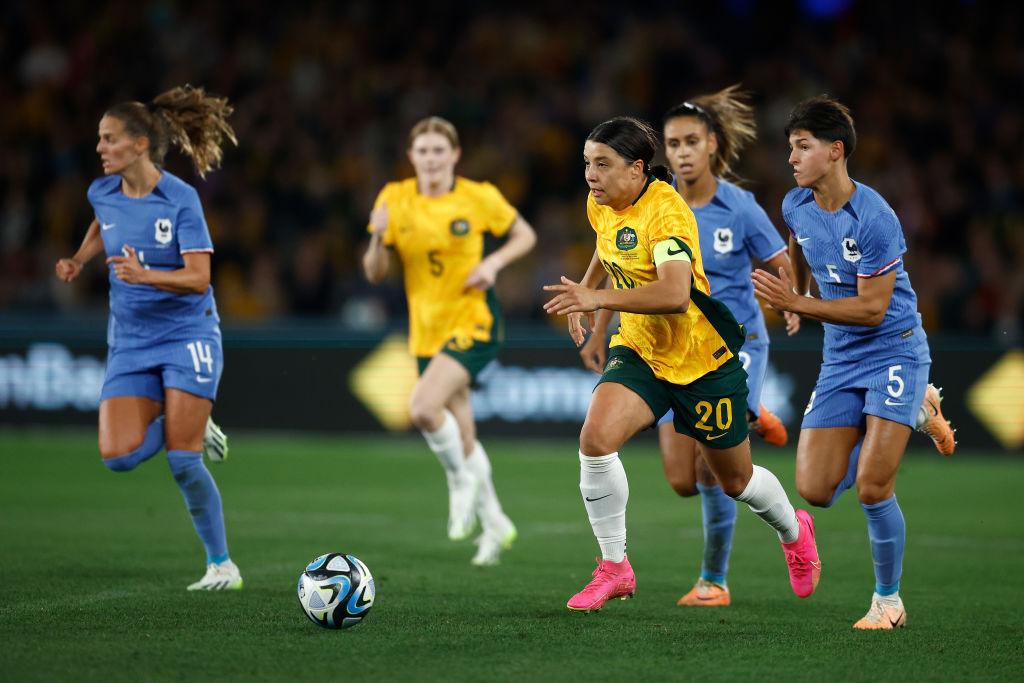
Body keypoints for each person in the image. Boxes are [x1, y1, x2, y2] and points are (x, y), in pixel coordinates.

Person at [543, 116, 820, 613]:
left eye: (602, 165)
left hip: (701, 361)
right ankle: (615, 567)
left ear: (637, 168)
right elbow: (609, 250)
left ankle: (793, 529)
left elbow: (674, 294)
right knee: (595, 439)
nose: (591, 175)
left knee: (735, 481)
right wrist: (593, 307)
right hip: (641, 351)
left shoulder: (668, 215)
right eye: (587, 163)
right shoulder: (601, 200)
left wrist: (593, 298)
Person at [752, 96, 953, 629]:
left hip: (894, 348)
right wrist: (794, 286)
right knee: (814, 490)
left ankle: (889, 602)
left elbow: (872, 308)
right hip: (840, 356)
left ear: (835, 150)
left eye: (802, 147)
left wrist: (798, 304)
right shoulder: (795, 204)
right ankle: (916, 411)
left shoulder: (876, 217)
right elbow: (798, 245)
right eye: (789, 147)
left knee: (871, 486)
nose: (791, 158)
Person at [55, 85, 241, 591]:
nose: (100, 147)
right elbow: (102, 225)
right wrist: (80, 258)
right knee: (118, 456)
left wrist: (147, 277)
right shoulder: (102, 190)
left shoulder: (180, 198)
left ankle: (221, 564)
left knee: (183, 461)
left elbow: (199, 277)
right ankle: (191, 422)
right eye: (99, 138)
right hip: (131, 340)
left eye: (109, 138)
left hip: (187, 332)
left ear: (139, 145)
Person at [362, 116, 536, 566]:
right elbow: (375, 272)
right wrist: (379, 238)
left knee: (422, 408)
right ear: (412, 156)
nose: (432, 159)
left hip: (473, 320)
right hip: (427, 330)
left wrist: (493, 264)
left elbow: (525, 235)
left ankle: (459, 482)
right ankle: (495, 523)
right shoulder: (395, 199)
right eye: (424, 151)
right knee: (463, 430)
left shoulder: (477, 197)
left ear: (455, 155)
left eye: (440, 151)